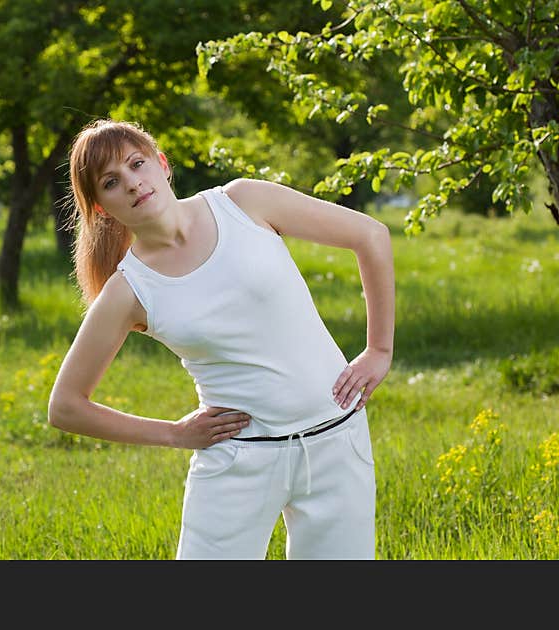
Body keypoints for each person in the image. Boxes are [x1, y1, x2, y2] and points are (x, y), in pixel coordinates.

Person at [47, 119, 395, 560]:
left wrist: (379, 350)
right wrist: (174, 434)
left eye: (137, 165)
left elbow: (371, 235)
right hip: (238, 460)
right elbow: (65, 406)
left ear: (162, 164)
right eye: (112, 182)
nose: (133, 184)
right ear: (100, 207)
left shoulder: (245, 202)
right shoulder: (128, 290)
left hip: (335, 438)